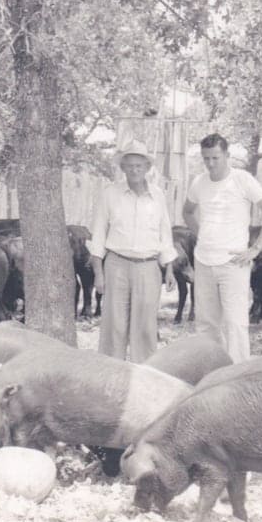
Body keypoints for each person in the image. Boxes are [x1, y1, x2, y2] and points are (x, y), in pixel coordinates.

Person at [183, 133, 262, 363]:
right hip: (204, 261)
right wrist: (203, 235)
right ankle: (210, 372)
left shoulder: (242, 180)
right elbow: (187, 212)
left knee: (235, 323)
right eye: (206, 158)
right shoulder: (199, 182)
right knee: (206, 324)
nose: (210, 163)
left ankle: (238, 376)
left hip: (233, 263)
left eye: (215, 158)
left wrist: (255, 249)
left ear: (227, 155)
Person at [87, 140, 177, 363]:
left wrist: (169, 269)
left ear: (147, 167)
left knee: (145, 326)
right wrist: (99, 273)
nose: (135, 170)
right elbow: (98, 235)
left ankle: (144, 374)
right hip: (116, 265)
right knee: (114, 325)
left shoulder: (157, 196)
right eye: (130, 165)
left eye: (139, 165)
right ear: (123, 168)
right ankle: (110, 372)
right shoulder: (110, 194)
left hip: (149, 267)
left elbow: (165, 234)